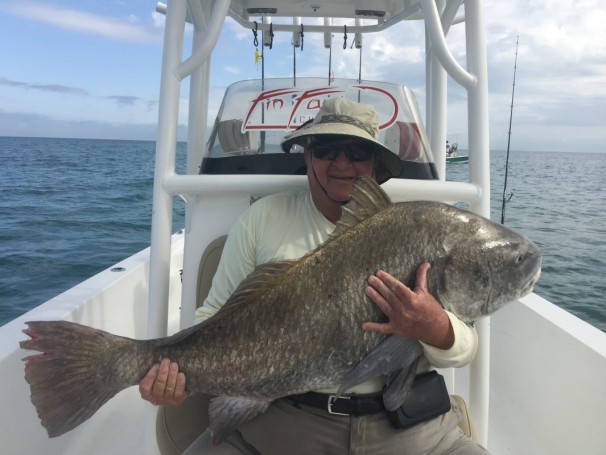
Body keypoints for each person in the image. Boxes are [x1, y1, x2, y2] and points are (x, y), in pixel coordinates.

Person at [139, 98, 488, 454]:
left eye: (357, 152)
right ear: (307, 155)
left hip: (409, 427)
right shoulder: (262, 220)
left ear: (374, 163)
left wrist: (435, 327)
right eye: (326, 149)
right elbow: (213, 320)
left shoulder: (415, 234)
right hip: (286, 420)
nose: (341, 163)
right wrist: (172, 373)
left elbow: (466, 347)